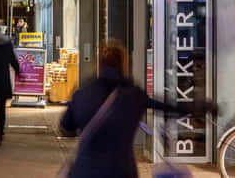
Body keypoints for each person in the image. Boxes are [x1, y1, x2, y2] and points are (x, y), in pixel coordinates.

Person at [60, 40, 216, 177]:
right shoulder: (133, 95)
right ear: (124, 64)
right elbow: (169, 107)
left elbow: (66, 127)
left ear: (99, 64)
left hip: (86, 170)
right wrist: (200, 107)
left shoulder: (82, 94)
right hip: (121, 170)